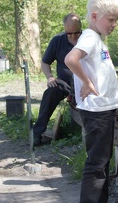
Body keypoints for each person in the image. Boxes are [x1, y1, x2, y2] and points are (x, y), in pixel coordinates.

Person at [64, 0, 118, 203]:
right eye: (111, 19)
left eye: (116, 20)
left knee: (101, 164)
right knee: (97, 165)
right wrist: (87, 82)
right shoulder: (90, 37)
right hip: (97, 112)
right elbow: (71, 59)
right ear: (94, 16)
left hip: (102, 110)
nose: (114, 24)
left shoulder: (96, 39)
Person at [33, 13, 82, 146]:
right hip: (64, 83)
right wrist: (50, 77)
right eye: (69, 33)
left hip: (84, 82)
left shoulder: (88, 40)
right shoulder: (57, 40)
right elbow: (45, 63)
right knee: (50, 92)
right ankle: (37, 133)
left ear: (81, 28)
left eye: (76, 33)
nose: (72, 36)